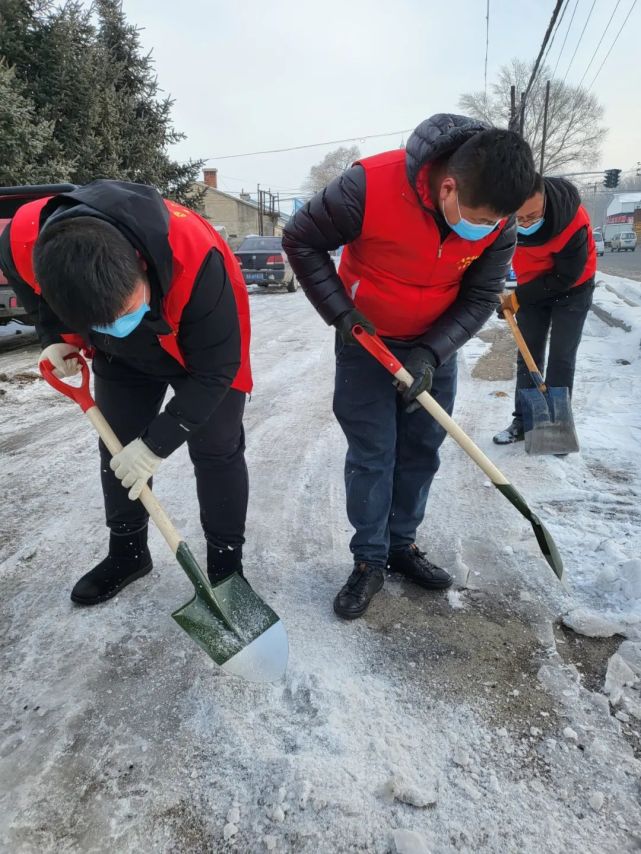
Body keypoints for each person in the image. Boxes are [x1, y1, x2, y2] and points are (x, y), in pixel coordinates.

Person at [283, 114, 536, 620]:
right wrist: (342, 313)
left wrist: (432, 351)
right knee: (374, 451)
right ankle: (369, 560)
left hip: (430, 345)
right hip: (366, 339)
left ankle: (402, 545)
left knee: (421, 449)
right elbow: (300, 239)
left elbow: (481, 294)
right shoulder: (368, 186)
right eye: (481, 220)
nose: (486, 231)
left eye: (495, 223)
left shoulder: (500, 221)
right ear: (448, 187)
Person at [0, 180, 252, 604]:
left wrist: (156, 443)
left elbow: (216, 371)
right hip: (120, 358)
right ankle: (128, 553)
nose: (119, 320)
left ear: (138, 261)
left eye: (127, 310)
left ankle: (226, 569)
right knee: (116, 447)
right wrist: (53, 337)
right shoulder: (23, 237)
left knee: (217, 447)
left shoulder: (194, 252)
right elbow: (36, 299)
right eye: (102, 320)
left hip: (197, 344)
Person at [493, 173, 596, 445]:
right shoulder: (501, 215)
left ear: (546, 202)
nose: (525, 223)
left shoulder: (572, 219)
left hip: (573, 287)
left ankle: (555, 428)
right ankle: (525, 421)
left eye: (533, 216)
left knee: (562, 356)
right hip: (531, 287)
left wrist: (519, 297)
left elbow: (565, 277)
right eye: (519, 218)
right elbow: (488, 253)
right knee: (528, 354)